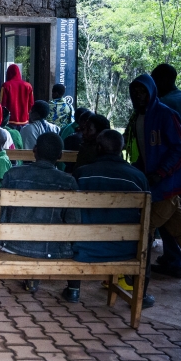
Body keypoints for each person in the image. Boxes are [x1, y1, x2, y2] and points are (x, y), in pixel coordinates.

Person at [125, 74, 181, 294]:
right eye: (135, 93)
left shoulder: (166, 115)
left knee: (143, 230)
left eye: (143, 92)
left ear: (152, 91)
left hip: (168, 186)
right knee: (180, 233)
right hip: (156, 184)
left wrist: (161, 172)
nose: (139, 97)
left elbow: (180, 149)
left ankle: (131, 280)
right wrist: (135, 168)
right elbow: (147, 154)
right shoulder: (139, 118)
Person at [63, 129, 151, 305]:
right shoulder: (138, 177)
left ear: (98, 147)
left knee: (73, 223)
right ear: (121, 148)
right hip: (127, 250)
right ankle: (142, 294)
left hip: (84, 248)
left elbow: (69, 213)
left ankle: (73, 289)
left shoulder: (83, 173)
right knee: (146, 234)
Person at [0, 133, 80, 293]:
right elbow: (74, 222)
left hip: (14, 245)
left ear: (34, 150)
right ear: (60, 156)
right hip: (52, 249)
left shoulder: (13, 174)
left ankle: (33, 278)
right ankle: (73, 290)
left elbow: (1, 213)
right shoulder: (68, 181)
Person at [151, 63, 181, 280]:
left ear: (163, 81)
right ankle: (172, 257)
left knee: (169, 215)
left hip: (169, 169)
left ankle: (174, 261)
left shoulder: (165, 103)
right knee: (176, 214)